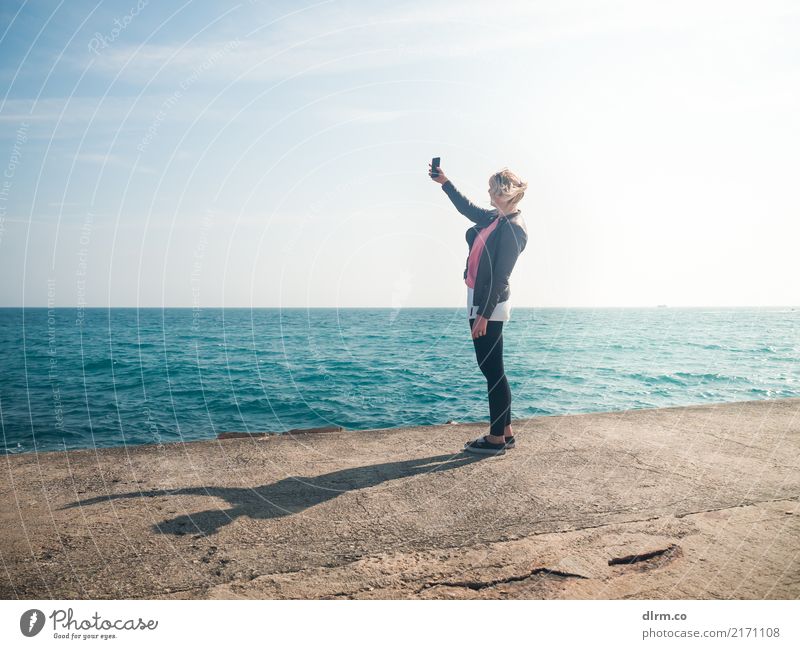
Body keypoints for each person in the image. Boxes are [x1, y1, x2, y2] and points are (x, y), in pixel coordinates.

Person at [429, 162, 528, 456]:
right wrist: (445, 182)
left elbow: (501, 278)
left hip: (490, 305)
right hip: (480, 299)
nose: (487, 192)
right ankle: (505, 432)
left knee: (492, 370)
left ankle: (496, 438)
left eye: (491, 189)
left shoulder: (513, 229)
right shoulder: (496, 218)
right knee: (492, 369)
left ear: (503, 193)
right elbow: (467, 208)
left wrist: (483, 315)